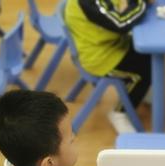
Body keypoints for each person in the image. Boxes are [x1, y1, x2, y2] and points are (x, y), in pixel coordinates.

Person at [64, 0, 151, 134]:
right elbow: (120, 23)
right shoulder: (87, 3)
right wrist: (140, 3)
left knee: (147, 54)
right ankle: (119, 113)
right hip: (101, 58)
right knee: (143, 73)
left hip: (111, 44)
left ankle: (140, 93)